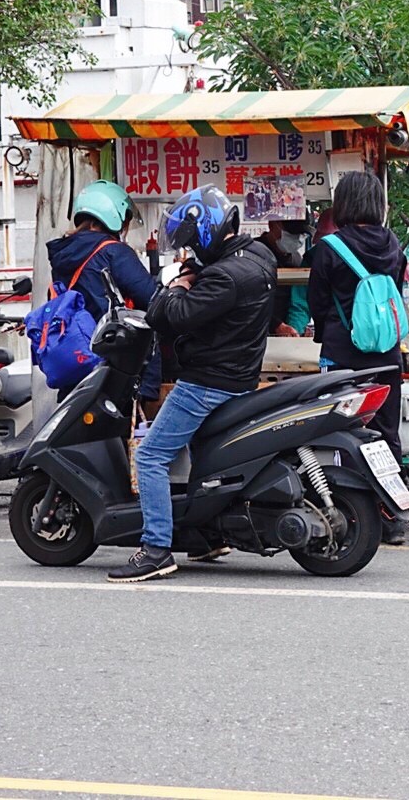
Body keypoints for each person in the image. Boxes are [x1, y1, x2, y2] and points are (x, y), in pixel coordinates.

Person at [107, 185, 277, 583]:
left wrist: (179, 283)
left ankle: (155, 549)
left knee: (150, 457)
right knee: (204, 457)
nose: (190, 253)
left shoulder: (223, 277)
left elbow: (168, 316)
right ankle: (204, 536)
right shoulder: (258, 257)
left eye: (191, 245)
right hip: (239, 376)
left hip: (206, 383)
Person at [307, 173, 409, 545]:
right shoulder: (393, 244)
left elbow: (317, 303)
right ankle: (393, 516)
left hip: (342, 354)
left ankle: (354, 512)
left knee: (343, 431)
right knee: (386, 429)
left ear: (343, 204)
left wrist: (325, 332)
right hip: (386, 354)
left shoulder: (329, 247)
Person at [45, 180, 160, 398]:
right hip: (113, 364)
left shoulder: (63, 255)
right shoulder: (113, 252)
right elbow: (151, 297)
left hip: (76, 357)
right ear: (113, 216)